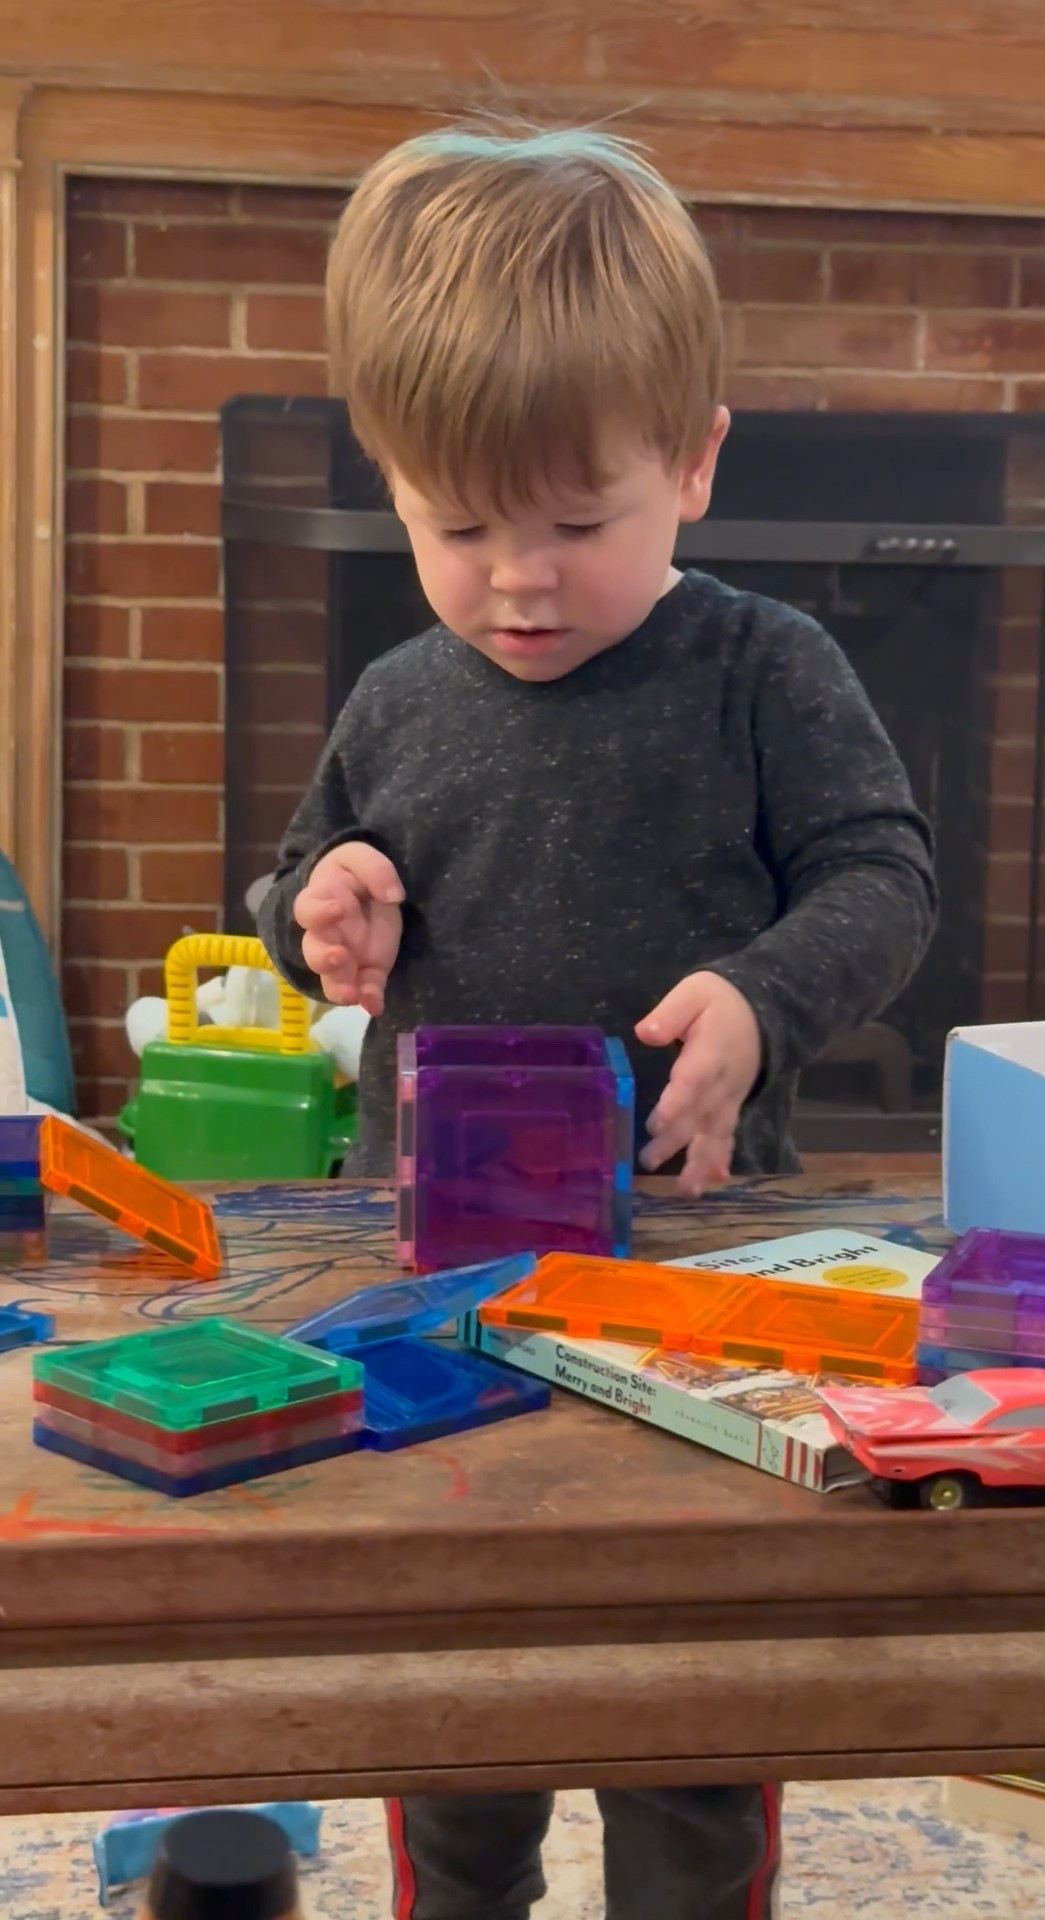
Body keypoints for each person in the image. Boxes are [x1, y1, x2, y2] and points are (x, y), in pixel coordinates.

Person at [258, 121, 936, 1920]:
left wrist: (761, 992)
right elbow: (298, 887)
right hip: (445, 1283)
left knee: (690, 1705)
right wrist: (321, 905)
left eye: (579, 521)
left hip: (706, 1283)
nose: (519, 579)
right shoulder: (401, 700)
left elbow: (888, 883)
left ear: (698, 466)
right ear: (388, 478)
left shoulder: (765, 671)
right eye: (455, 524)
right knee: (454, 1700)